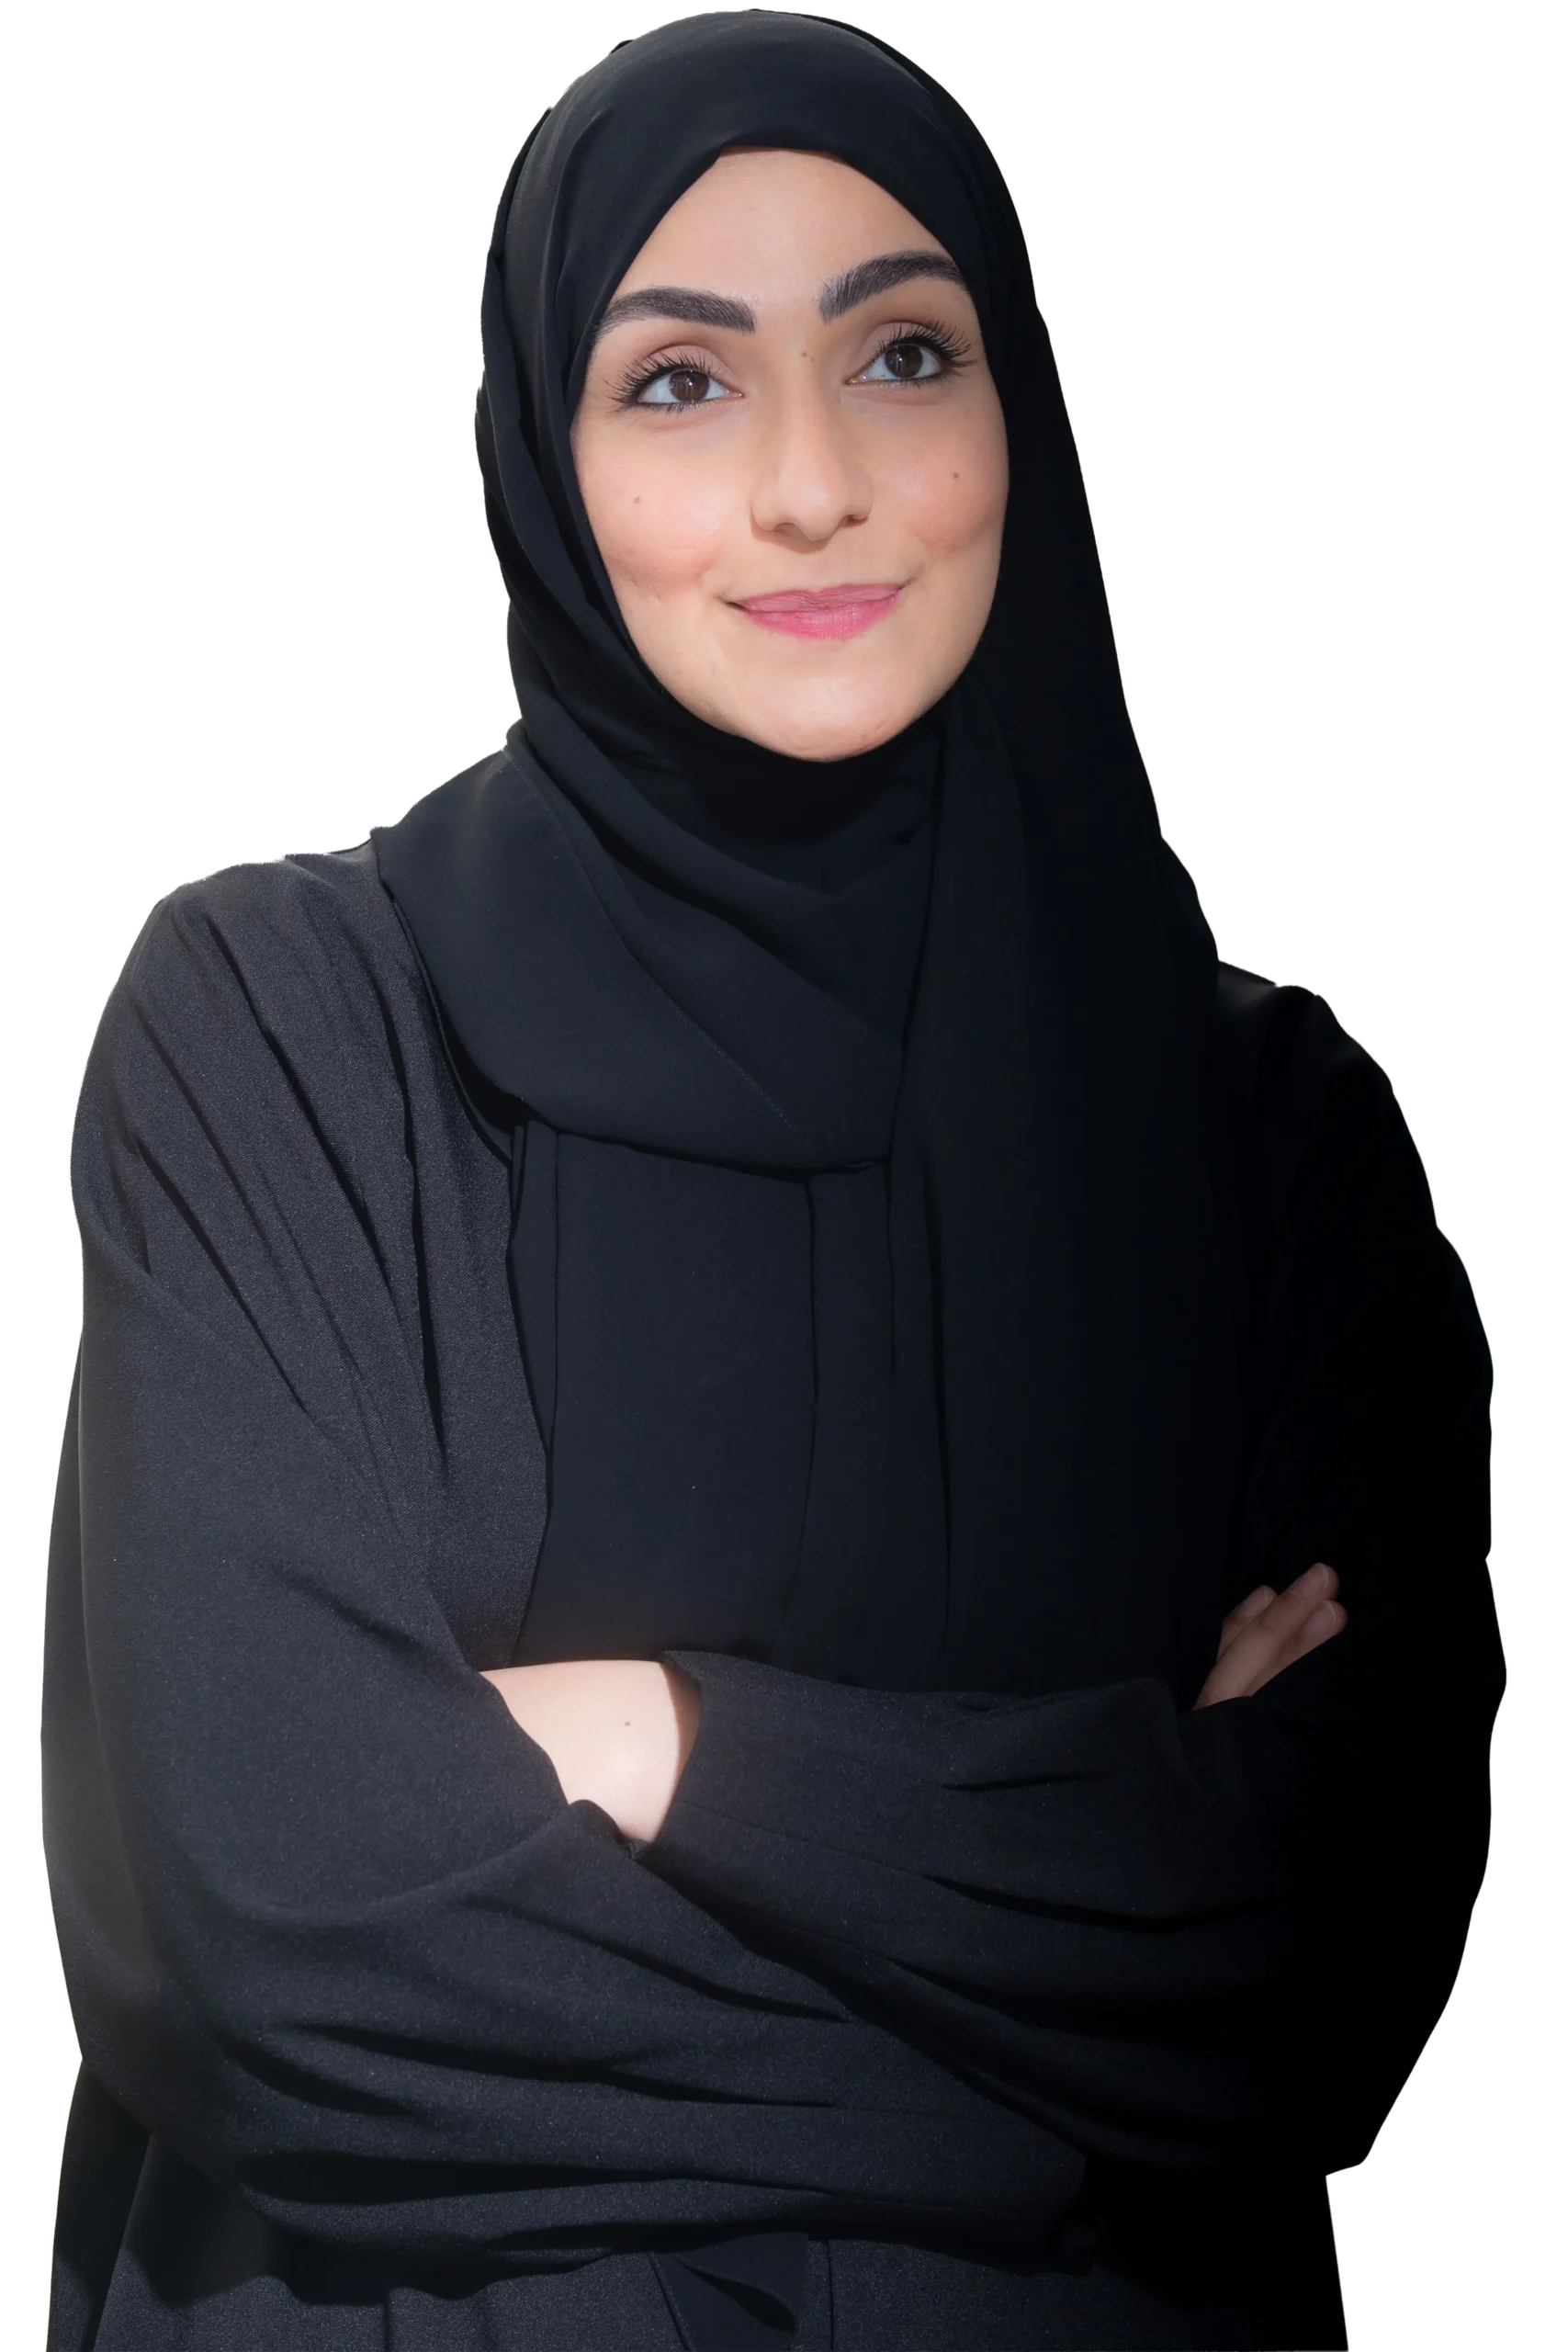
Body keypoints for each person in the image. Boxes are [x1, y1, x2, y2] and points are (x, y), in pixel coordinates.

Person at [42, 14, 1505, 2350]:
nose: (814, 483)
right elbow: (280, 1941)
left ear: (1019, 413)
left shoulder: (1263, 1134)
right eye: (681, 381)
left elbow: (1322, 1976)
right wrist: (1093, 2037)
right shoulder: (289, 1027)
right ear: (543, 455)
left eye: (903, 354)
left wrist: (669, 1746)